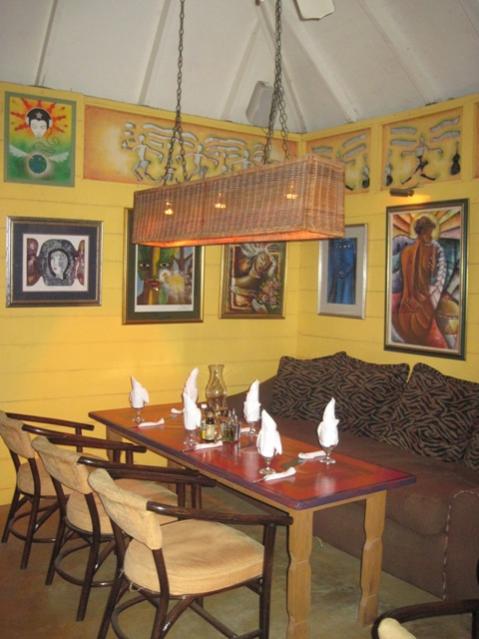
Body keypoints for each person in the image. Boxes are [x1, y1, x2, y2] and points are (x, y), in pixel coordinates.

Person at [394, 216, 447, 347]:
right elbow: (409, 279)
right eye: (429, 233)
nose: (431, 236)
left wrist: (431, 267)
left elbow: (428, 275)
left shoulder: (430, 250)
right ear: (422, 232)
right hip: (411, 300)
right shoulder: (408, 252)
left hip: (418, 298)